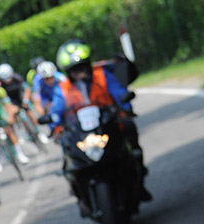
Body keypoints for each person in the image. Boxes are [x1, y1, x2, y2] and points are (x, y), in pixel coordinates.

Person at [47, 39, 151, 202]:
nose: (79, 73)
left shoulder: (101, 74)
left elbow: (118, 91)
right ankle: (73, 180)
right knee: (65, 142)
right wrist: (54, 124)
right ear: (67, 71)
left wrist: (125, 107)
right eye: (74, 70)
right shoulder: (63, 87)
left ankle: (139, 174)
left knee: (129, 128)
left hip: (107, 121)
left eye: (81, 67)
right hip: (80, 128)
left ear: (88, 64)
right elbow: (57, 108)